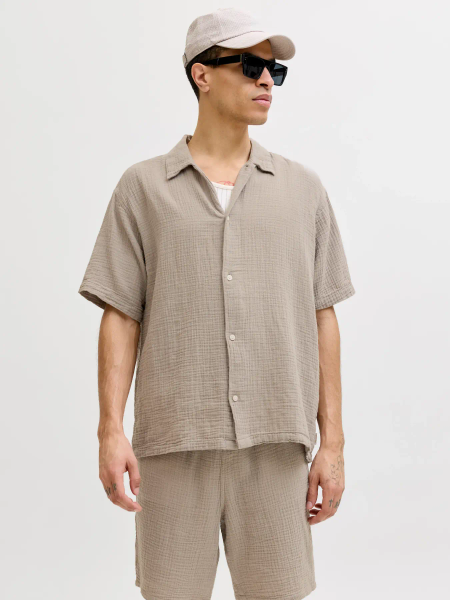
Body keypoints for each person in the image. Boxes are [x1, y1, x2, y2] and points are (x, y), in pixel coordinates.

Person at [78, 8, 356, 600]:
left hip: (277, 446)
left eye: (274, 71)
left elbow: (323, 315)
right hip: (174, 445)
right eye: (250, 66)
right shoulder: (143, 188)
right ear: (201, 74)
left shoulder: (303, 191)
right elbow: (121, 314)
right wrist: (109, 430)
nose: (266, 80)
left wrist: (332, 443)